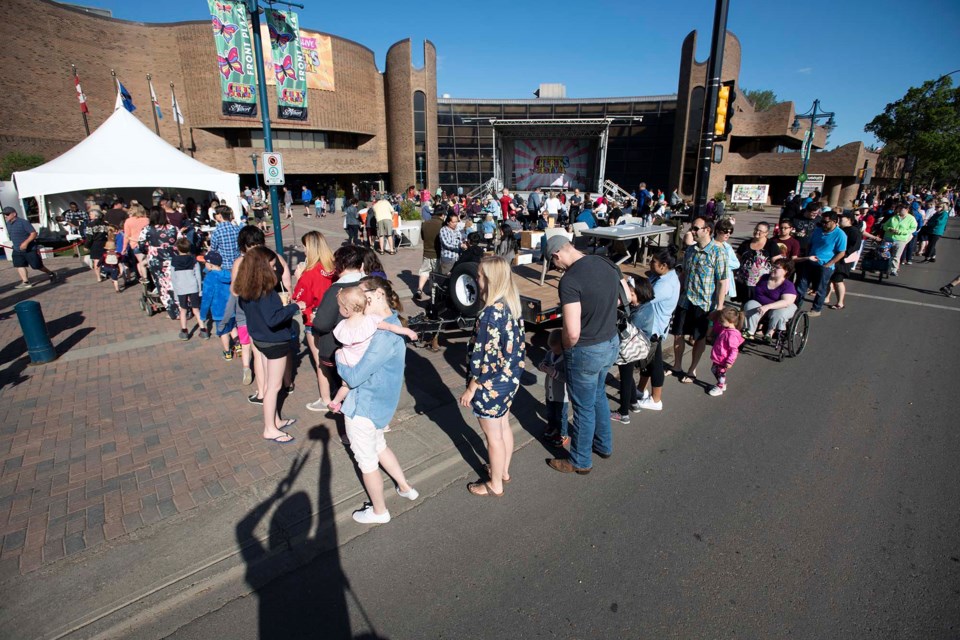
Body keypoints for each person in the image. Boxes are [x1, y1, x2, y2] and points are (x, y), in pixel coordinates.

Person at [341, 276, 420, 524]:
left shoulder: (382, 336)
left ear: (377, 296)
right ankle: (405, 487)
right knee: (379, 446)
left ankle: (379, 511)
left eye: (362, 295)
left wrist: (339, 361)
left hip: (364, 407)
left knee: (366, 462)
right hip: (381, 406)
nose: (358, 301)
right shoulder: (389, 323)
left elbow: (354, 377)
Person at [545, 235, 621, 475]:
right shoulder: (605, 262)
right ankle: (604, 445)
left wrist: (567, 347)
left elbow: (573, 332)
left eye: (552, 262)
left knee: (583, 408)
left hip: (586, 350)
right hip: (610, 342)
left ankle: (580, 460)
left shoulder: (569, 280)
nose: (555, 268)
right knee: (598, 395)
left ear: (557, 255)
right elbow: (624, 298)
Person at [459, 256, 525, 496]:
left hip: (490, 385)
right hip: (509, 379)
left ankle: (495, 483)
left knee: (492, 437)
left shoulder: (488, 315)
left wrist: (471, 387)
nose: (476, 279)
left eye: (479, 275)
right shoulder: (511, 305)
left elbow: (485, 359)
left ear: (489, 280)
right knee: (503, 426)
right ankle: (503, 471)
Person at [235, 246, 305, 444]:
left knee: (268, 384)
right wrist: (294, 307)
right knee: (273, 387)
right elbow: (274, 319)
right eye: (273, 266)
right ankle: (269, 428)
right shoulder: (266, 293)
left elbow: (247, 309)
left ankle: (275, 420)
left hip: (260, 339)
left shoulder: (247, 289)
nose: (275, 270)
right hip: (275, 341)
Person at [327, 286, 417, 412]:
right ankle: (340, 404)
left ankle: (335, 402)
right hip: (361, 360)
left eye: (340, 307)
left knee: (345, 385)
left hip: (347, 359)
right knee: (356, 384)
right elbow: (390, 327)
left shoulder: (342, 325)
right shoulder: (370, 320)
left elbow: (343, 343)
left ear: (346, 310)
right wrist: (406, 330)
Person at [309, 245, 366, 412]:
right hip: (365, 349)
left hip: (338, 350)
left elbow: (323, 324)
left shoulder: (336, 291)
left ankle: (347, 426)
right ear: (361, 266)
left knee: (345, 387)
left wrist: (315, 319)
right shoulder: (369, 285)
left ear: (338, 267)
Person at [672, 217, 728, 384]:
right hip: (685, 300)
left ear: (707, 230)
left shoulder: (718, 253)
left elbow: (722, 282)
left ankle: (692, 370)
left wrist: (719, 307)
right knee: (678, 334)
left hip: (704, 303)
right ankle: (677, 366)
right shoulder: (690, 250)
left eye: (696, 228)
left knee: (699, 338)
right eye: (692, 228)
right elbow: (684, 274)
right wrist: (676, 294)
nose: (692, 232)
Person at [292, 231, 336, 407]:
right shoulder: (332, 268)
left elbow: (300, 300)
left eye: (305, 247)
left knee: (320, 361)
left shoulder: (309, 274)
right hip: (334, 318)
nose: (303, 251)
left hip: (314, 320)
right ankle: (335, 388)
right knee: (333, 356)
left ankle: (325, 399)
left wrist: (299, 277)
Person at [633, 248, 680, 411]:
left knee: (655, 364)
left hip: (654, 329)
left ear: (664, 265)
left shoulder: (665, 285)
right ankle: (640, 390)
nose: (650, 263)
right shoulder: (665, 276)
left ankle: (656, 399)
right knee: (648, 362)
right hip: (653, 327)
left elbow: (643, 297)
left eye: (653, 261)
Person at [611, 277, 655, 425]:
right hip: (638, 348)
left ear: (640, 294)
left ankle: (623, 413)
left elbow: (626, 329)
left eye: (631, 294)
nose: (629, 297)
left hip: (630, 348)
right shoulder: (646, 307)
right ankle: (633, 402)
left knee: (625, 378)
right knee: (628, 376)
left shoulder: (638, 314)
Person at [795, 211, 847, 317]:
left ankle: (816, 309)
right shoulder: (818, 230)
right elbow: (810, 244)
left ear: (834, 222)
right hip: (810, 261)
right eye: (821, 222)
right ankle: (795, 306)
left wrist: (829, 264)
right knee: (801, 285)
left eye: (826, 222)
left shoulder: (840, 234)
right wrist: (807, 256)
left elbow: (842, 252)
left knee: (820, 288)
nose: (823, 224)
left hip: (825, 265)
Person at [742, 258, 798, 340]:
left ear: (786, 271)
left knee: (779, 313)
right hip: (761, 304)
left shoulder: (788, 285)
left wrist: (767, 306)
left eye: (777, 268)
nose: (773, 269)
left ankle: (769, 333)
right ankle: (749, 331)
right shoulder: (764, 277)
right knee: (750, 304)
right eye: (773, 266)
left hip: (780, 307)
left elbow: (786, 302)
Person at [2, 207, 58, 288]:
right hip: (17, 249)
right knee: (19, 265)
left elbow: (33, 233)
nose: (5, 216)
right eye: (4, 215)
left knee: (37, 266)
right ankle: (25, 282)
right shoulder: (8, 224)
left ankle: (51, 273)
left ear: (14, 214)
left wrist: (25, 243)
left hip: (29, 249)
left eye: (7, 214)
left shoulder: (23, 222)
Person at [200, 251, 237, 360]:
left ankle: (227, 352)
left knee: (224, 332)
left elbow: (206, 298)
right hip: (232, 308)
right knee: (233, 327)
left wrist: (203, 315)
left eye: (205, 262)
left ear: (210, 264)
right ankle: (238, 346)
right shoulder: (228, 274)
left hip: (219, 311)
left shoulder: (210, 278)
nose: (204, 265)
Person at [824, 213, 863, 311]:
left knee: (838, 281)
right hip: (833, 257)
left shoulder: (853, 231)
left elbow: (856, 245)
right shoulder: (838, 229)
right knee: (829, 279)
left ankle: (840, 302)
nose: (840, 219)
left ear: (849, 220)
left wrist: (844, 254)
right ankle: (826, 298)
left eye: (842, 218)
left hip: (843, 261)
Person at [171, 237, 206, 340]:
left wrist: (176, 293)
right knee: (196, 309)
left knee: (183, 310)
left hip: (181, 287)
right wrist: (199, 290)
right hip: (193, 286)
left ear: (178, 248)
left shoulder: (174, 261)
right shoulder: (193, 260)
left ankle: (184, 331)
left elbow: (173, 278)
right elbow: (198, 276)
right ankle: (203, 330)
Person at [735, 222, 780, 301]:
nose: (757, 232)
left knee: (757, 304)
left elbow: (778, 263)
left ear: (766, 233)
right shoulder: (745, 244)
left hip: (761, 283)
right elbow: (736, 261)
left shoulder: (771, 245)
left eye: (760, 231)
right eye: (756, 229)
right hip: (744, 282)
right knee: (744, 305)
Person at [539, 329, 569, 448]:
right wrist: (542, 366)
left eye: (556, 349)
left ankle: (563, 433)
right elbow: (544, 361)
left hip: (562, 395)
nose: (553, 351)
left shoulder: (566, 358)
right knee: (550, 412)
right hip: (550, 392)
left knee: (561, 415)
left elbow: (567, 377)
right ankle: (552, 427)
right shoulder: (550, 353)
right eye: (551, 348)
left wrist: (553, 372)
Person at [707, 307, 745, 397]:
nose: (720, 323)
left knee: (721, 373)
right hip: (719, 356)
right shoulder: (725, 329)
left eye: (722, 321)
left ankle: (720, 387)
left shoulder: (732, 334)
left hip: (724, 359)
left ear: (731, 321)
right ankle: (721, 384)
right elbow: (715, 326)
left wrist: (730, 361)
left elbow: (734, 349)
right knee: (714, 370)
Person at [416, 212, 443, 300]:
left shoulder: (425, 223)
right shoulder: (442, 224)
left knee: (424, 271)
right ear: (442, 215)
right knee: (436, 273)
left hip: (427, 251)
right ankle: (434, 292)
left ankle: (419, 289)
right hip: (437, 252)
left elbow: (423, 237)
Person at [209, 205, 241, 270]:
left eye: (215, 214)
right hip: (238, 264)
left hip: (224, 266)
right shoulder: (237, 229)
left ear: (220, 216)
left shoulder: (216, 232)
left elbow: (213, 250)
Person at [918, 198, 949, 263]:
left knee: (931, 245)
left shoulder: (944, 214)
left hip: (937, 231)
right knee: (932, 244)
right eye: (936, 206)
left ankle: (927, 258)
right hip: (931, 230)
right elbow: (931, 219)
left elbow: (939, 222)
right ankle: (933, 256)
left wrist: (930, 223)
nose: (936, 208)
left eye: (938, 207)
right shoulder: (937, 213)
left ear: (942, 207)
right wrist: (929, 222)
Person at [84, 206, 110, 282]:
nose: (89, 215)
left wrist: (86, 246)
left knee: (96, 260)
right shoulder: (105, 224)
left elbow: (89, 237)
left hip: (95, 243)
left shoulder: (90, 225)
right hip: (105, 242)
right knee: (105, 259)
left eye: (91, 214)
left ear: (95, 215)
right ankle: (106, 272)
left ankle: (98, 277)